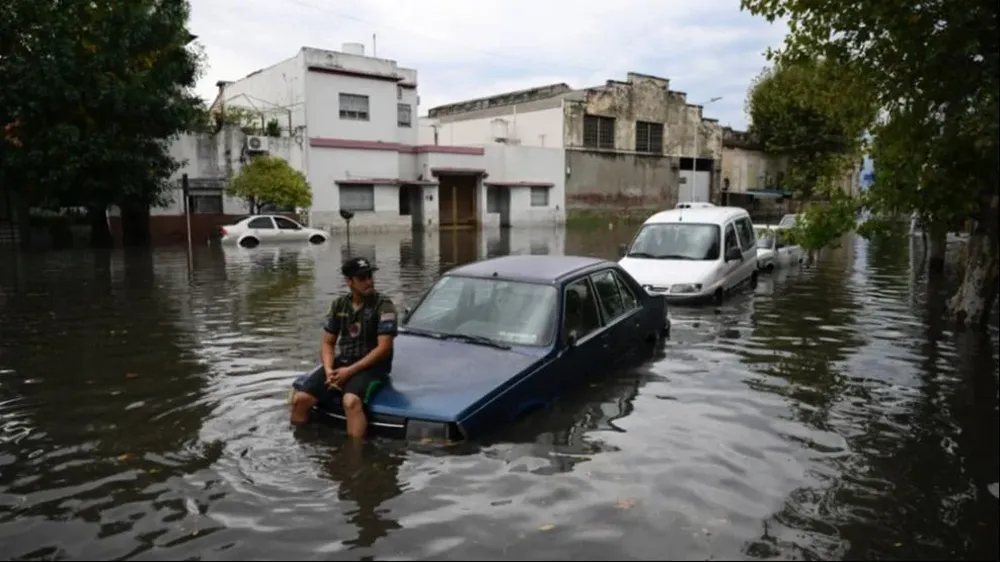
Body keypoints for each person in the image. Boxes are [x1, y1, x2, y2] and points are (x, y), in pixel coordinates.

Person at [289, 257, 398, 439]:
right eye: (362, 278)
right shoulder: (339, 305)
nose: (369, 281)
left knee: (351, 402)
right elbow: (328, 343)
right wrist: (330, 370)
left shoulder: (384, 306)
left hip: (373, 366)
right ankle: (300, 443)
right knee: (300, 399)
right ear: (349, 282)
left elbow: (384, 348)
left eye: (370, 276)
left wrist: (349, 372)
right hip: (344, 361)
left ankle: (354, 456)